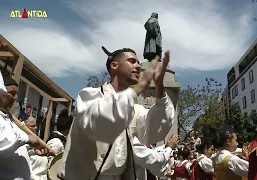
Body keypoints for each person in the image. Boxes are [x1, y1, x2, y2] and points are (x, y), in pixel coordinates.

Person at [58, 47, 175, 180]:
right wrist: (140, 86)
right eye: (132, 61)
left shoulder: (135, 109)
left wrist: (159, 87)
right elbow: (98, 123)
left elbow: (154, 130)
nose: (137, 66)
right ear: (114, 65)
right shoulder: (91, 96)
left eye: (138, 62)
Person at [0, 68, 53, 180]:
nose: (15, 98)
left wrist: (33, 148)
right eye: (12, 93)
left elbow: (16, 144)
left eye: (16, 94)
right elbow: (3, 143)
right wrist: (28, 138)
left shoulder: (10, 120)